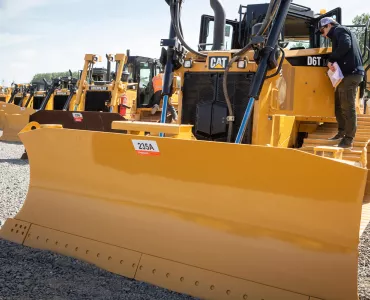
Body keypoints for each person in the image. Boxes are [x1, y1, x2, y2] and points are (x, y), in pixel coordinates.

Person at [317, 17, 365, 148]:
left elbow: (345, 44)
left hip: (351, 74)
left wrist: (331, 59)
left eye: (322, 30)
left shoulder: (339, 30)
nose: (323, 34)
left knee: (347, 106)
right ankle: (342, 132)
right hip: (346, 75)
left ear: (329, 25)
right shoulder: (338, 33)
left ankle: (348, 140)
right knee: (339, 104)